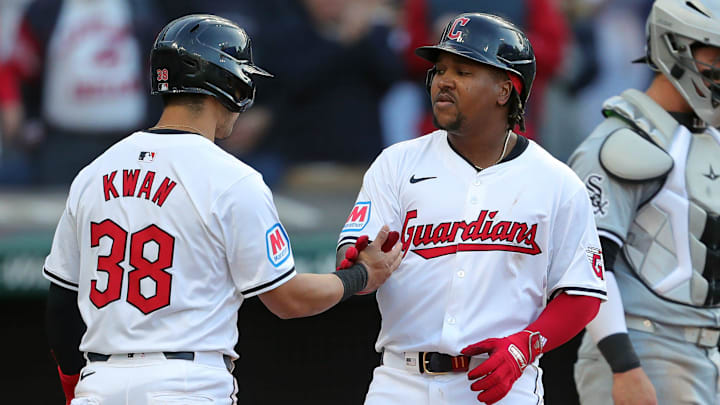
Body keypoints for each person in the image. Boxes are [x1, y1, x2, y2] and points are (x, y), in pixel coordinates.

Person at [43, 14, 402, 405]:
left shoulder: (95, 171)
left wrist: (74, 384)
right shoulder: (232, 178)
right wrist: (360, 276)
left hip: (100, 381)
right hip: (186, 384)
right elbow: (289, 300)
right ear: (230, 83)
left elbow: (62, 303)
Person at [335, 12, 606, 405]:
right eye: (440, 68)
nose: (443, 80)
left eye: (463, 71)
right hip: (402, 380)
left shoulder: (556, 182)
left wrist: (523, 347)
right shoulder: (396, 163)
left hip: (502, 383)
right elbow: (353, 252)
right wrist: (359, 262)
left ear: (504, 90)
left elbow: (583, 293)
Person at [569, 1, 720, 404]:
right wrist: (624, 367)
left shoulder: (708, 138)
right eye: (716, 54)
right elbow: (589, 266)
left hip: (705, 353)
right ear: (675, 46)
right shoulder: (623, 142)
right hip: (642, 348)